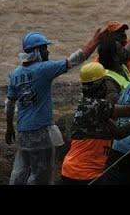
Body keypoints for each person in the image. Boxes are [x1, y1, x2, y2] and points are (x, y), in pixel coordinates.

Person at [6, 30, 100, 185]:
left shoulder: (15, 73)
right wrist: (95, 41)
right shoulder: (43, 69)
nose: (47, 51)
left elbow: (9, 104)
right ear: (36, 51)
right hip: (41, 131)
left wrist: (9, 127)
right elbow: (75, 60)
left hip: (23, 130)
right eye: (44, 48)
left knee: (21, 171)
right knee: (41, 175)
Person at [61, 62, 130, 185]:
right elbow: (129, 110)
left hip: (74, 171)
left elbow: (119, 133)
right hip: (84, 174)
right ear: (100, 85)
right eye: (106, 82)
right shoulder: (96, 106)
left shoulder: (90, 109)